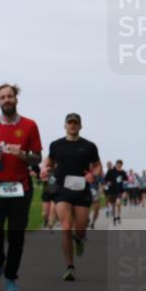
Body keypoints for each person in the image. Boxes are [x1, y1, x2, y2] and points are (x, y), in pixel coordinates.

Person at [0, 83, 42, 291]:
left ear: (16, 99)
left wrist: (23, 155)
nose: (7, 100)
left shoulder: (30, 125)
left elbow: (38, 157)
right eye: (2, 97)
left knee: (16, 236)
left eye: (10, 96)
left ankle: (11, 278)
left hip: (20, 188)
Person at [42, 113, 101, 282]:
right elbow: (50, 162)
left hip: (82, 190)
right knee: (66, 226)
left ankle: (79, 238)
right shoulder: (56, 145)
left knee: (80, 228)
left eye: (76, 123)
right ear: (65, 125)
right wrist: (46, 169)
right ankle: (69, 266)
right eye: (70, 123)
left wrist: (93, 175)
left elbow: (98, 166)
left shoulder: (89, 146)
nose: (73, 125)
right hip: (62, 190)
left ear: (80, 126)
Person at [104, 160, 127, 226]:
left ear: (121, 165)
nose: (119, 166)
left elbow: (125, 181)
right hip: (112, 191)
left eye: (120, 165)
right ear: (116, 164)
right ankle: (114, 218)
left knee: (118, 203)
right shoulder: (111, 171)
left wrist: (125, 191)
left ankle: (118, 216)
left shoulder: (123, 172)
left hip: (119, 191)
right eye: (118, 164)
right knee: (113, 205)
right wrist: (108, 182)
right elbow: (105, 179)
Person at [38, 158, 58, 231]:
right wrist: (42, 179)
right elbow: (39, 179)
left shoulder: (60, 171)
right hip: (46, 192)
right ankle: (45, 220)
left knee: (52, 211)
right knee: (45, 213)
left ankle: (50, 227)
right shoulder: (46, 170)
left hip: (56, 193)